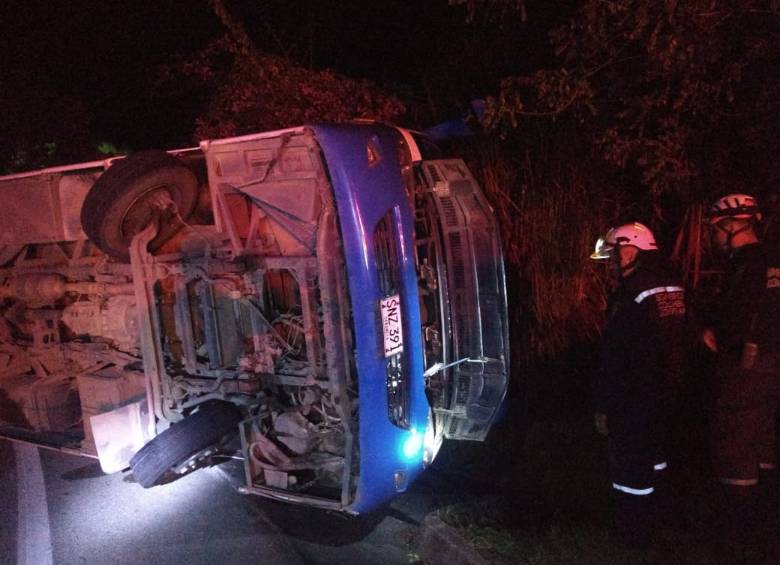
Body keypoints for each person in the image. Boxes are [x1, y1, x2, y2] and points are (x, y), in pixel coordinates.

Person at [590, 222, 688, 547]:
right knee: (658, 458)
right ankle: (665, 517)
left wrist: (603, 406)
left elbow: (615, 357)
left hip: (634, 397)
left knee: (631, 465)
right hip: (669, 391)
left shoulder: (630, 295)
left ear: (630, 249)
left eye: (614, 255)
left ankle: (631, 534)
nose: (612, 264)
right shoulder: (671, 285)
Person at [701, 193, 780, 542]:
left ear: (734, 225)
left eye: (717, 229)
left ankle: (737, 531)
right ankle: (764, 516)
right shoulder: (772, 260)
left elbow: (739, 314)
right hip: (770, 367)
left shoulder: (745, 265)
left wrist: (711, 334)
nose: (715, 237)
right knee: (762, 438)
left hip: (745, 366)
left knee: (735, 440)